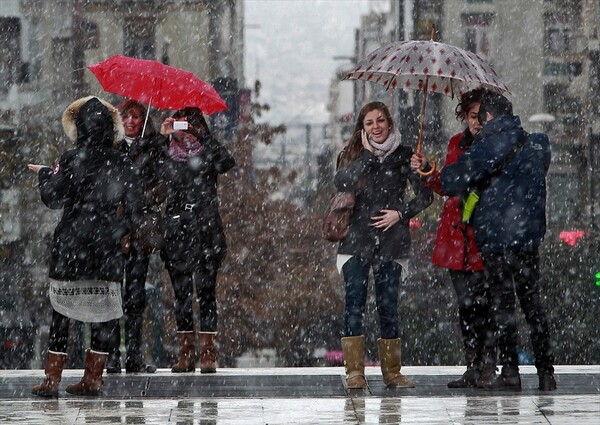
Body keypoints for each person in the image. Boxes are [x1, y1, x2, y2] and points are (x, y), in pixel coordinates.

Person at [440, 93, 556, 391]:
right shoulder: (537, 143)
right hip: (528, 239)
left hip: (495, 242)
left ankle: (511, 371)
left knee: (504, 306)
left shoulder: (486, 147)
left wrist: (440, 170)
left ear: (488, 117)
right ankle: (546, 372)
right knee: (534, 305)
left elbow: (451, 181)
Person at [28, 96, 142, 396]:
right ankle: (93, 378)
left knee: (61, 312)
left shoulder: (69, 159)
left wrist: (44, 174)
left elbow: (53, 198)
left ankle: (52, 380)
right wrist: (121, 230)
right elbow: (135, 206)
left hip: (71, 242)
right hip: (106, 245)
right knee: (104, 313)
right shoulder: (122, 162)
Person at [334, 101, 433, 389]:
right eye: (369, 122)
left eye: (380, 120)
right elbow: (341, 183)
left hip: (391, 242)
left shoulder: (405, 156)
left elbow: (425, 197)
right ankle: (354, 372)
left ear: (389, 122)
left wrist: (400, 213)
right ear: (362, 129)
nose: (376, 126)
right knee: (354, 305)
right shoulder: (352, 154)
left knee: (388, 306)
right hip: (357, 242)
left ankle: (392, 372)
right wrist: (365, 156)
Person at [410, 88, 497, 388]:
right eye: (474, 117)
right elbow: (446, 183)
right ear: (465, 116)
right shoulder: (456, 144)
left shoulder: (498, 145)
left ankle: (488, 366)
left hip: (484, 235)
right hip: (457, 236)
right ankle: (472, 365)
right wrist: (426, 171)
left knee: (485, 304)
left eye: (483, 117)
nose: (478, 123)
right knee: (466, 305)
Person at [157, 107, 235, 373]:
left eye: (191, 123)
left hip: (206, 229)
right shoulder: (168, 152)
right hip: (177, 229)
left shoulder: (208, 151)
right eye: (182, 123)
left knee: (206, 292)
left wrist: (203, 136)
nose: (185, 128)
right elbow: (151, 173)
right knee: (181, 295)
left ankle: (208, 355)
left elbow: (227, 162)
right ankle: (186, 354)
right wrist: (163, 137)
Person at [105, 99, 163, 374]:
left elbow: (160, 184)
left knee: (136, 295)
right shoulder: (112, 148)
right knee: (114, 292)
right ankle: (112, 356)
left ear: (143, 121)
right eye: (126, 116)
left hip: (139, 230)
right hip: (115, 230)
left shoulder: (151, 149)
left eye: (137, 117)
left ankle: (135, 356)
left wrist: (142, 196)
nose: (131, 121)